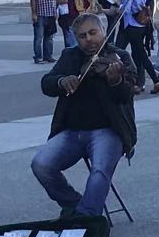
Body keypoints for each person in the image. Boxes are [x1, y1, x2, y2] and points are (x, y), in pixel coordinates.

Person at [31, 13, 137, 219]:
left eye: (93, 33)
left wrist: (115, 81)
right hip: (72, 131)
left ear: (103, 32)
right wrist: (62, 81)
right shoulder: (70, 56)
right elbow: (47, 83)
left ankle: (87, 217)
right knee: (41, 164)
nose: (88, 39)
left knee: (99, 171)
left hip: (109, 130)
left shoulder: (120, 57)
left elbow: (126, 95)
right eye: (82, 36)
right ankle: (73, 202)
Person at [115, 0, 159, 94]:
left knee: (137, 54)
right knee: (137, 55)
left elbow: (125, 9)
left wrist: (118, 5)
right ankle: (140, 82)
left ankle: (155, 81)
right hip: (141, 26)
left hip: (131, 26)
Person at [29, 0, 57, 64]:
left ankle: (48, 56)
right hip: (40, 14)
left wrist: (55, 12)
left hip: (50, 14)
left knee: (49, 37)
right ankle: (38, 57)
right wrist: (34, 13)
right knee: (39, 37)